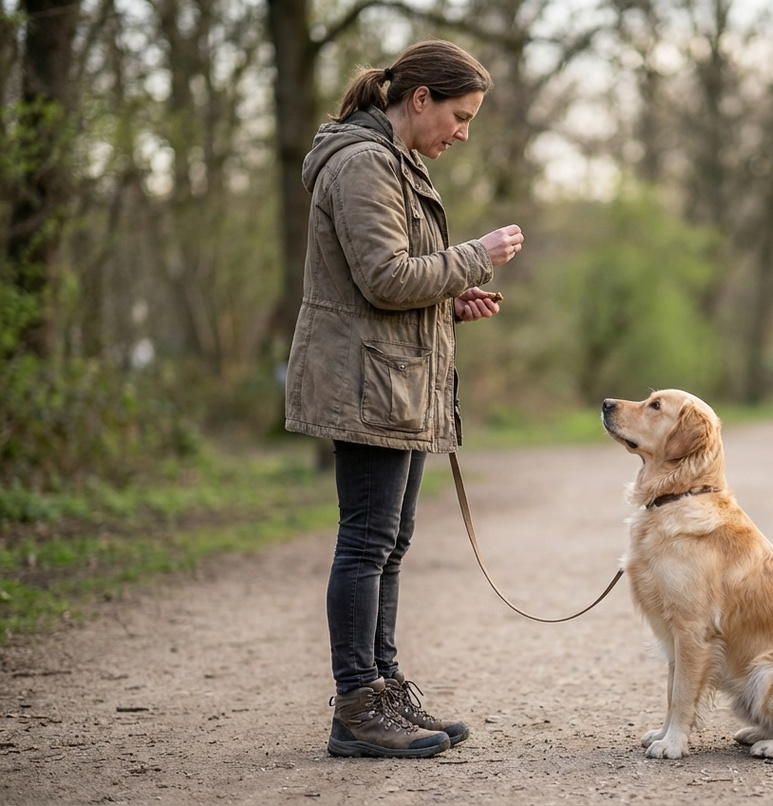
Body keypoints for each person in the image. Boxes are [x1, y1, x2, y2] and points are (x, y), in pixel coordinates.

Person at [283, 39, 525, 759]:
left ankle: (385, 691)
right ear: (419, 98)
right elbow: (385, 277)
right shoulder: (361, 164)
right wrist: (474, 256)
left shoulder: (398, 163)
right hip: (367, 385)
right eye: (459, 115)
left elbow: (392, 285)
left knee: (390, 544)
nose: (463, 132)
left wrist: (452, 299)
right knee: (365, 542)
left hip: (395, 380)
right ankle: (357, 705)